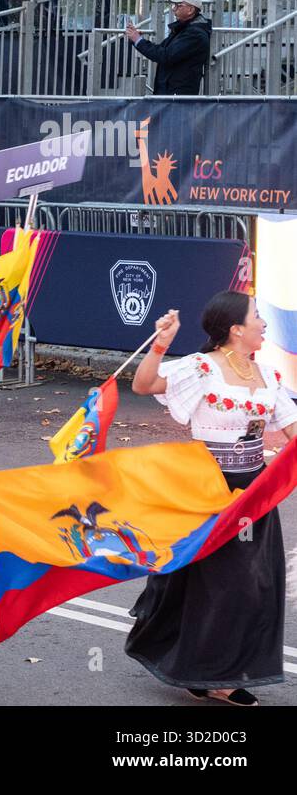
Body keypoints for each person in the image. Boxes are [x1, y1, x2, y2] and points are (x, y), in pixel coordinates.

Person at [128, 293, 297, 705]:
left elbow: (292, 431)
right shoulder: (201, 368)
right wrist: (161, 343)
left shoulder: (269, 377)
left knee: (248, 585)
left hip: (252, 491)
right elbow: (143, 384)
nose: (263, 324)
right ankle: (213, 674)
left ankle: (206, 668)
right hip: (204, 488)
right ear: (235, 328)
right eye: (257, 317)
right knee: (220, 583)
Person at [124, 0, 212, 95]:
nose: (173, 9)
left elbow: (165, 55)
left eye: (178, 5)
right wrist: (138, 39)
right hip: (171, 93)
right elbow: (161, 50)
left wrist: (138, 40)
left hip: (178, 97)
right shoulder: (184, 29)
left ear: (190, 10)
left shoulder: (195, 34)